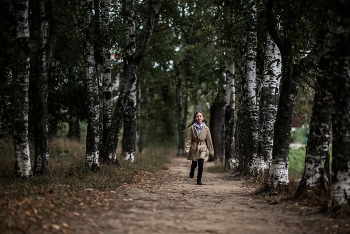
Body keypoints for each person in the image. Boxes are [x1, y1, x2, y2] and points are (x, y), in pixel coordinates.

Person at [185, 111, 214, 185]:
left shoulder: (206, 129)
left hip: (202, 147)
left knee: (201, 164)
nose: (199, 117)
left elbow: (209, 140)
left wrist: (211, 151)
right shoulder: (192, 128)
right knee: (194, 164)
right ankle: (192, 170)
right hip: (194, 147)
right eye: (197, 116)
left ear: (203, 118)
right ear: (195, 118)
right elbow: (188, 139)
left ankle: (199, 180)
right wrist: (187, 149)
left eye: (200, 116)